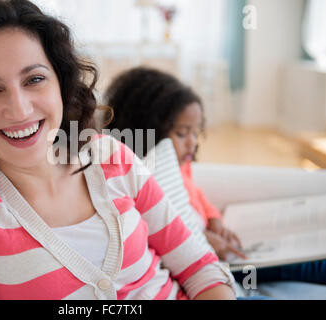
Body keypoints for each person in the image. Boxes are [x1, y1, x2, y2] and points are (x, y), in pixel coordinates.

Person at [0, 0, 235, 300]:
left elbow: (201, 268)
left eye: (34, 79)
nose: (19, 109)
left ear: (60, 83)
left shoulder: (110, 156)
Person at [104, 66, 326, 286]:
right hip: (209, 260)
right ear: (146, 128)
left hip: (219, 241)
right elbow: (157, 231)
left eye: (196, 132)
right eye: (182, 133)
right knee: (311, 267)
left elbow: (196, 193)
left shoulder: (182, 166)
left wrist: (213, 219)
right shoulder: (140, 179)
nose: (193, 142)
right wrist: (207, 239)